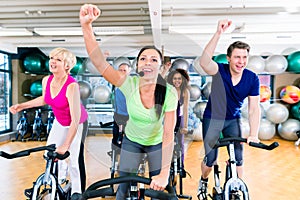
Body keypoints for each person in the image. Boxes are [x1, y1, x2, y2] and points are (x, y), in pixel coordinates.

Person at [79, 4, 178, 199]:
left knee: (158, 191)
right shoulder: (128, 83)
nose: (147, 62)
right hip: (132, 141)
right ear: (138, 65)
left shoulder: (169, 93)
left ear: (160, 67)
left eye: (153, 60)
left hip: (157, 143)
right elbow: (99, 62)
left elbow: (168, 133)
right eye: (143, 59)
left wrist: (164, 173)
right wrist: (86, 26)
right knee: (121, 189)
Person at [194, 19, 261, 199]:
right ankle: (203, 181)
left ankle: (239, 189)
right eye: (237, 57)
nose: (241, 61)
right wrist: (218, 33)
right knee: (210, 160)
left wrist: (253, 133)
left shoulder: (252, 78)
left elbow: (254, 108)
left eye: (245, 57)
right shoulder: (219, 70)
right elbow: (204, 61)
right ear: (229, 58)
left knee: (239, 159)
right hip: (212, 118)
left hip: (233, 119)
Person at [9, 47, 88, 200]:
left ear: (67, 65)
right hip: (60, 121)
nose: (52, 61)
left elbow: (75, 118)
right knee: (49, 154)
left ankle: (77, 192)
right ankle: (56, 182)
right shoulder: (47, 80)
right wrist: (22, 105)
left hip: (76, 123)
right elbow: (45, 99)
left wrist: (66, 144)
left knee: (72, 158)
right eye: (52, 58)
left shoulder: (72, 86)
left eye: (58, 59)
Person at [166, 68, 190, 169]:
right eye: (175, 78)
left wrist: (185, 126)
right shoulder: (169, 90)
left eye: (179, 78)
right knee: (168, 141)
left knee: (180, 142)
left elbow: (185, 109)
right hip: (169, 116)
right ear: (171, 79)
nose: (177, 81)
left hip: (179, 117)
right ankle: (167, 164)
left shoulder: (185, 92)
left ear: (183, 80)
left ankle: (181, 166)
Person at [112, 63, 131, 147]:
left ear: (128, 72)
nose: (122, 72)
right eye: (120, 70)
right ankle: (114, 150)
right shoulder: (115, 83)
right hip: (118, 115)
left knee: (129, 137)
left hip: (130, 115)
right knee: (116, 135)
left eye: (125, 70)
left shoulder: (132, 84)